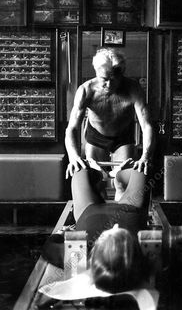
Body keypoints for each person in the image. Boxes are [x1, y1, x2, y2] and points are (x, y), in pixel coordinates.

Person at [65, 47, 155, 179]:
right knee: (96, 181)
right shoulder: (86, 90)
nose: (109, 84)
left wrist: (145, 157)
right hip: (96, 136)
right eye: (104, 79)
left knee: (122, 181)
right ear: (96, 72)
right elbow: (72, 128)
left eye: (114, 79)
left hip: (123, 137)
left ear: (122, 74)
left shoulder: (133, 89)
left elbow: (147, 126)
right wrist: (74, 157)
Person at [42, 159, 151, 268]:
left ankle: (101, 175)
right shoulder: (137, 259)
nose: (115, 227)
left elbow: (48, 248)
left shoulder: (84, 258)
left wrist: (60, 234)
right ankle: (116, 177)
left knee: (80, 170)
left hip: (89, 213)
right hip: (129, 209)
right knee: (142, 169)